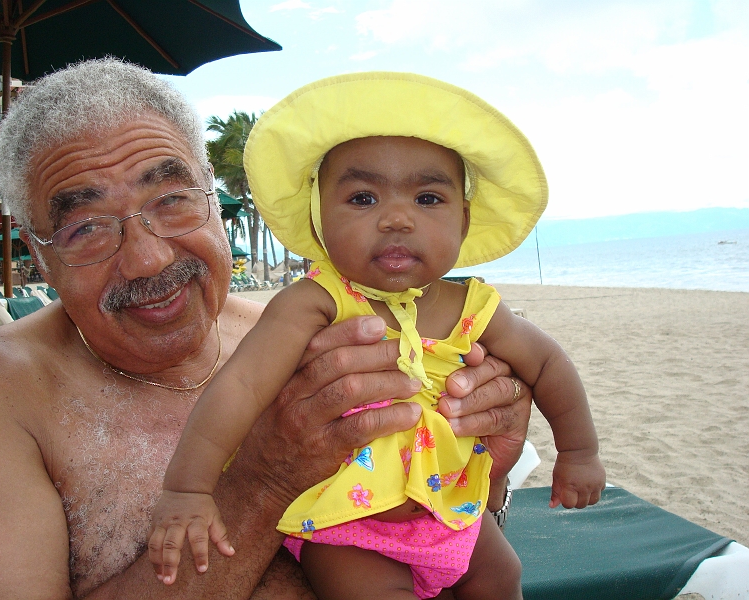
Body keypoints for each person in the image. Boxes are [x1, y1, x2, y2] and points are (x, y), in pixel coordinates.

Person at [0, 59, 533, 600]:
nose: (149, 259)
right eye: (85, 228)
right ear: (38, 251)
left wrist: (488, 477)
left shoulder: (322, 344)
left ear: (212, 195)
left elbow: (443, 560)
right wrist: (261, 485)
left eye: (172, 199)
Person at [148, 72, 606, 599]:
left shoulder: (474, 307)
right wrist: (188, 487)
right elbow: (240, 387)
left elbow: (549, 365)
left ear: (464, 218)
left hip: (449, 507)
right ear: (320, 223)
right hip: (346, 526)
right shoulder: (316, 303)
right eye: (363, 198)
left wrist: (578, 452)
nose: (395, 219)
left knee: (503, 578)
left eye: (428, 199)